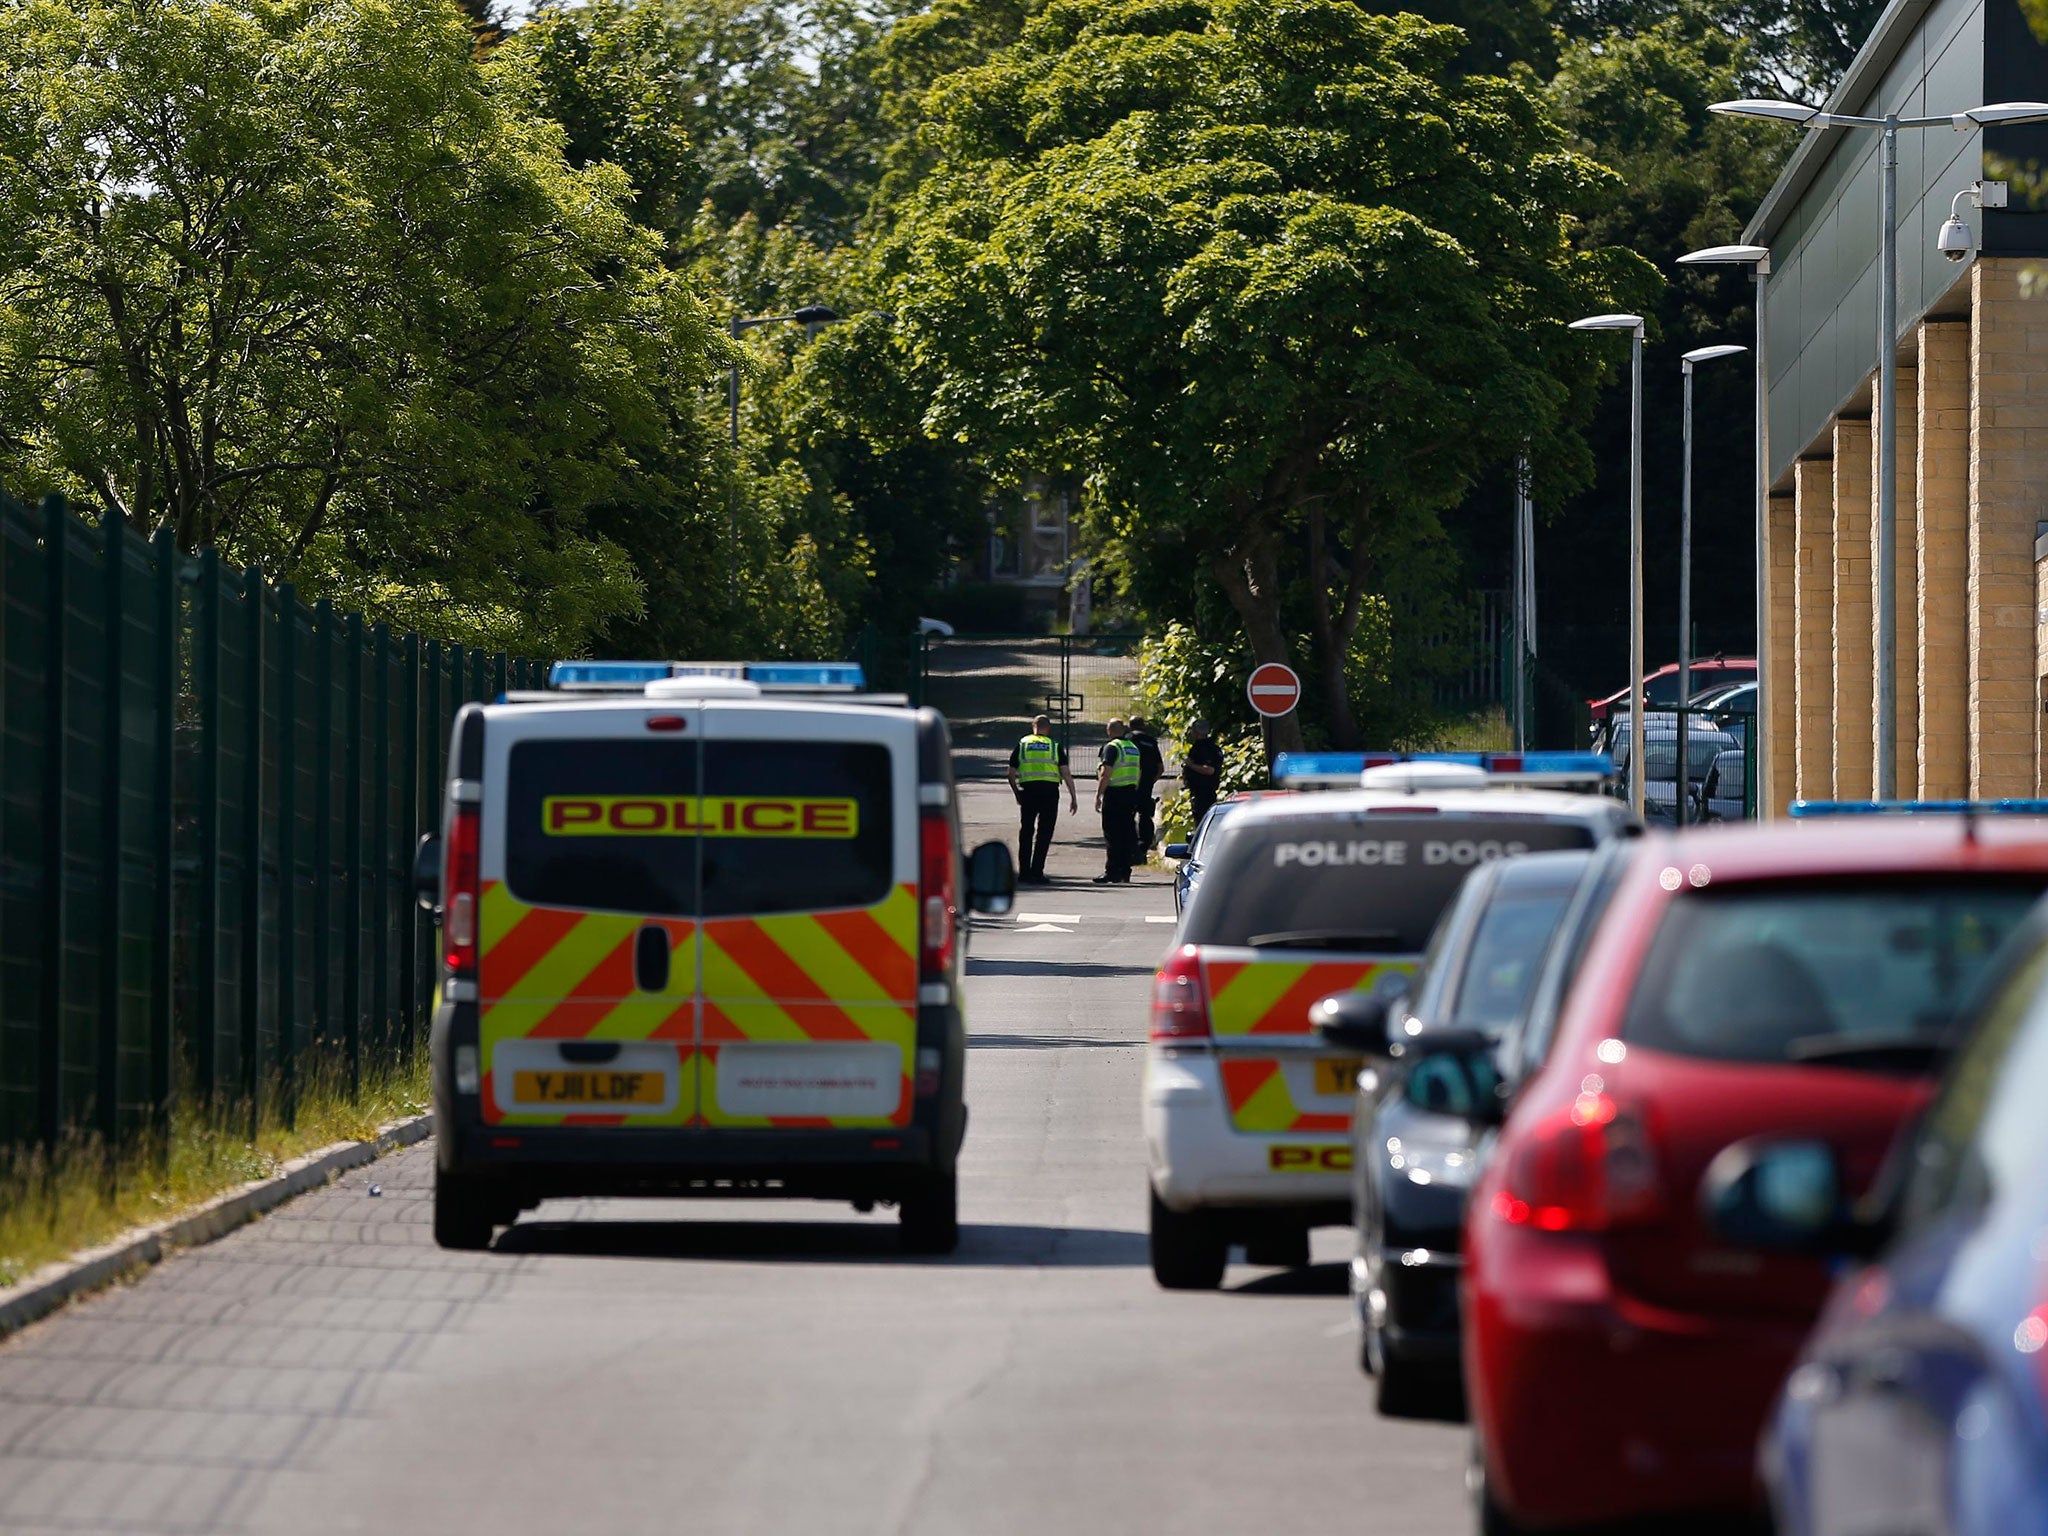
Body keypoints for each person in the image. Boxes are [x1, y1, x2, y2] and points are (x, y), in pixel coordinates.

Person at [1006, 714, 1076, 885]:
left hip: (1028, 791)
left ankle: (1024, 873)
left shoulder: (1023, 744)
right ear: (1049, 728)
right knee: (1044, 833)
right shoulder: (1054, 746)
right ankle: (1037, 872)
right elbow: (1066, 773)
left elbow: (1010, 773)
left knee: (1026, 831)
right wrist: (1073, 797)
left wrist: (1017, 793)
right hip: (1050, 793)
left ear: (1033, 727)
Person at [1094, 717, 1142, 885]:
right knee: (1127, 833)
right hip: (1130, 793)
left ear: (1109, 731)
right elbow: (1139, 771)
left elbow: (1106, 773)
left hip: (1115, 794)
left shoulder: (1112, 747)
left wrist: (1099, 795)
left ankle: (1112, 871)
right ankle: (1125, 871)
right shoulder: (1133, 748)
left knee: (1113, 834)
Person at [1128, 715, 1164, 850]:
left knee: (1128, 814)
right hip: (1146, 784)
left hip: (1130, 783)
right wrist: (1150, 781)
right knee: (1145, 814)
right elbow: (1160, 768)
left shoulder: (1128, 740)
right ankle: (1146, 842)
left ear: (1130, 726)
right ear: (1143, 726)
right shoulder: (1151, 741)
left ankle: (1131, 842)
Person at [1182, 719, 1223, 829]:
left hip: (1203, 794)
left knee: (1202, 825)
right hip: (1203, 792)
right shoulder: (1211, 747)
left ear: (1197, 732)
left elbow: (1209, 770)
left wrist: (1191, 765)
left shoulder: (1203, 748)